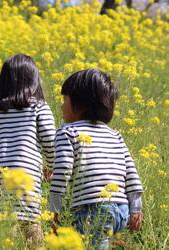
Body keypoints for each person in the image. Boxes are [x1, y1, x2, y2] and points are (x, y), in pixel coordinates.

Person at [49, 68, 143, 249]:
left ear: (80, 104)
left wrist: (55, 211)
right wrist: (136, 208)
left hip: (93, 211)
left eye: (65, 100)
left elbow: (62, 174)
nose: (61, 105)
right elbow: (131, 174)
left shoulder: (67, 132)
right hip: (121, 210)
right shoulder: (116, 135)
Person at [0, 54, 56, 247]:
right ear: (34, 81)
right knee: (31, 229)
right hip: (25, 179)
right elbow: (51, 142)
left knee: (2, 230)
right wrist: (50, 167)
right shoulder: (39, 107)